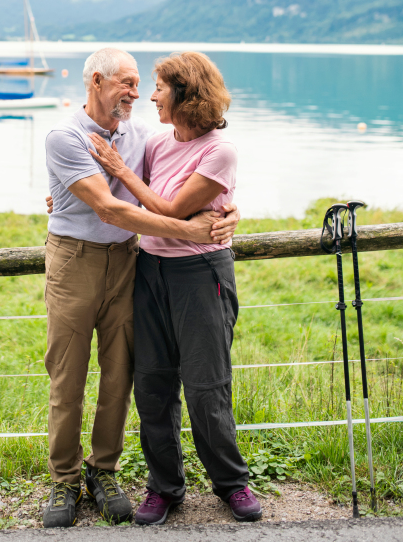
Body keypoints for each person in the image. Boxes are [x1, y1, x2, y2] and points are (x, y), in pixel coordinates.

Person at [42, 48, 241, 528]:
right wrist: (192, 231)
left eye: (142, 84)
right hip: (76, 262)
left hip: (129, 262)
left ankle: (103, 471)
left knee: (121, 376)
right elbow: (112, 207)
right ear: (95, 81)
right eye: (128, 83)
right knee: (68, 377)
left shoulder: (141, 137)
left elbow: (177, 188)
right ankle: (66, 479)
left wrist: (231, 212)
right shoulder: (65, 136)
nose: (138, 93)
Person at [87, 51, 262, 525]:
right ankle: (164, 488)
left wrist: (123, 174)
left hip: (200, 276)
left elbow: (170, 210)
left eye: (161, 86)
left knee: (207, 388)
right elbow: (128, 197)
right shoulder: (159, 143)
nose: (152, 95)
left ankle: (231, 482)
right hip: (150, 272)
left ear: (186, 92)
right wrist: (64, 191)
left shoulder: (218, 149)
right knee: (153, 386)